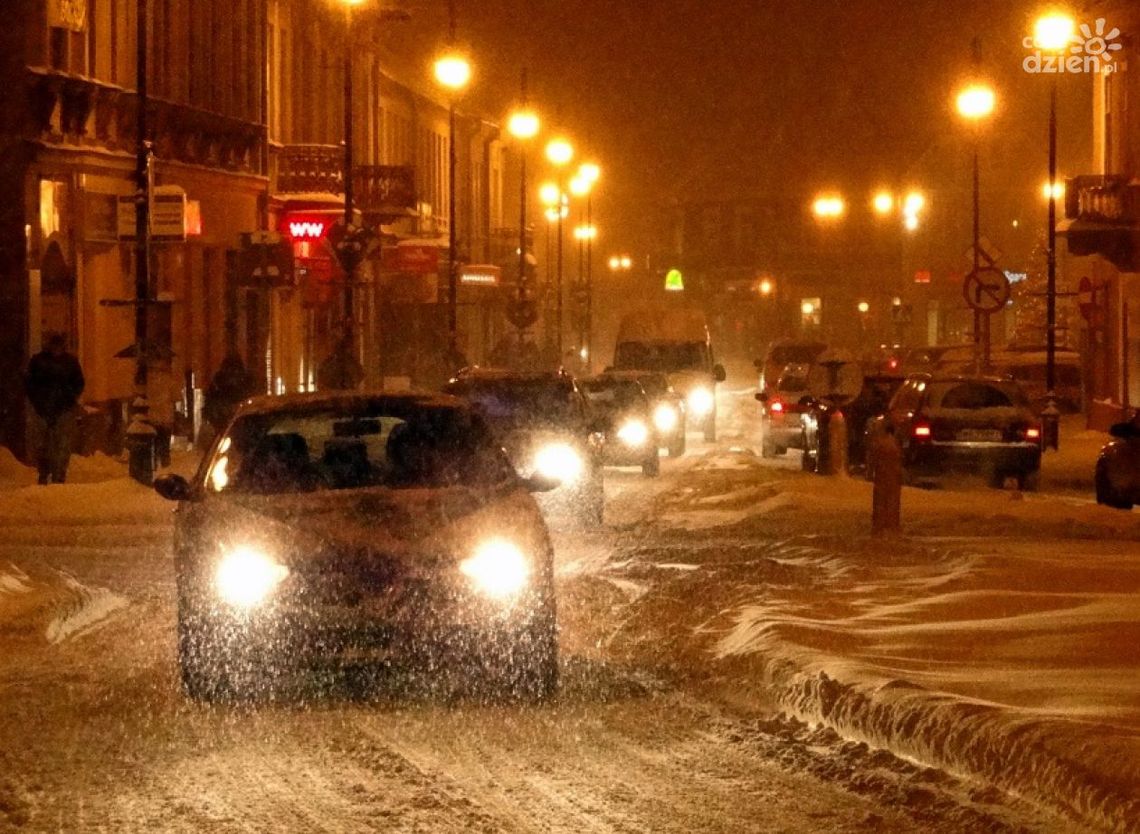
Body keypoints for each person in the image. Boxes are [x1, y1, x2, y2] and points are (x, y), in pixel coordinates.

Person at [24, 333, 85, 485]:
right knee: (45, 445)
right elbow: (29, 384)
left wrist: (70, 397)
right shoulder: (40, 361)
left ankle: (58, 475)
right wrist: (38, 401)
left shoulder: (68, 362)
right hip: (44, 408)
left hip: (61, 409)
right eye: (54, 346)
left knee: (60, 444)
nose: (56, 349)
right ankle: (45, 473)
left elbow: (79, 383)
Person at [204, 352, 256, 434]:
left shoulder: (246, 385)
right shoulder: (217, 385)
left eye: (235, 371)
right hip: (225, 428)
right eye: (230, 370)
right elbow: (210, 409)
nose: (233, 375)